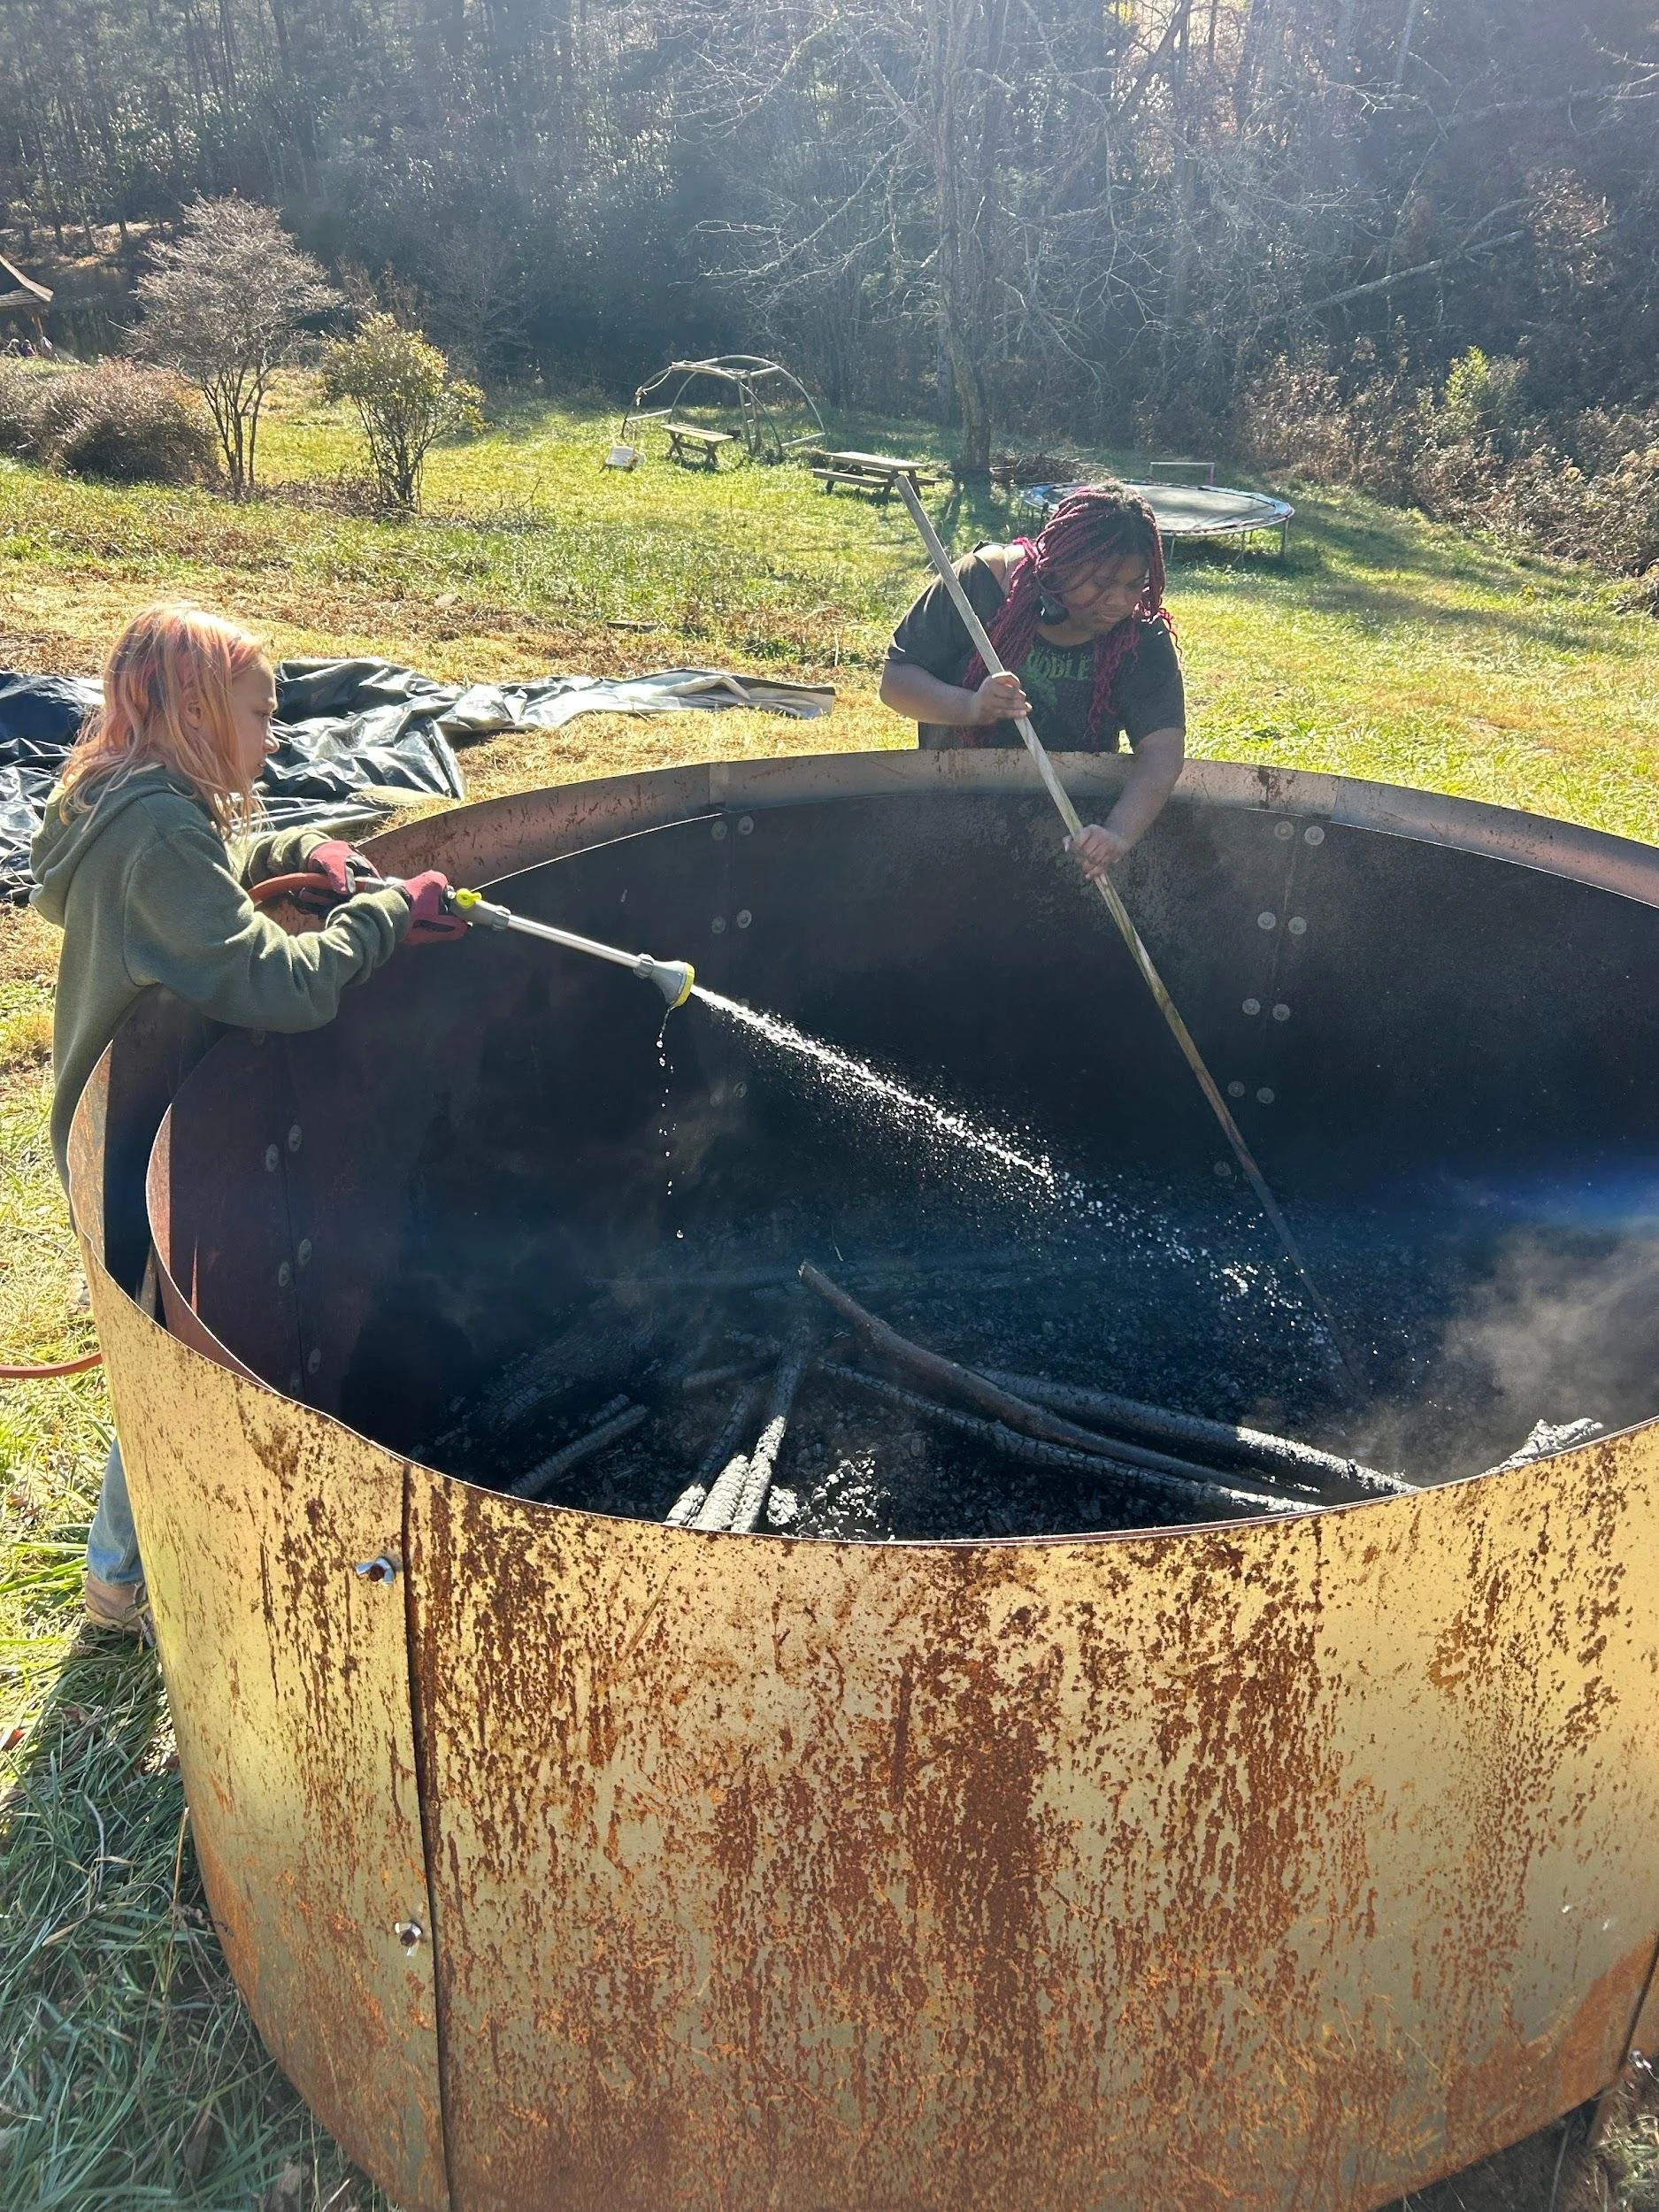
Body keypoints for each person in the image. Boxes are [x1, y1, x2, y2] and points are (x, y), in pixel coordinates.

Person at [30, 601, 466, 1637]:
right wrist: (385, 915)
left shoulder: (128, 801)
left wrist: (309, 845)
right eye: (260, 714)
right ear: (193, 707)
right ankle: (123, 1586)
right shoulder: (154, 837)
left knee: (158, 1354)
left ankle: (120, 1573)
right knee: (169, 1371)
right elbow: (282, 986)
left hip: (124, 1115)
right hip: (134, 1144)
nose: (274, 738)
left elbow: (213, 876)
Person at [879, 480, 1185, 879]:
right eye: (1101, 583)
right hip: (952, 810)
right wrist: (971, 707)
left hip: (1067, 834)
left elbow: (1162, 750)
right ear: (1059, 565)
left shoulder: (1140, 638)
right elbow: (896, 681)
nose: (1119, 601)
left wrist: (1117, 834)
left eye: (1133, 585)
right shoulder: (984, 583)